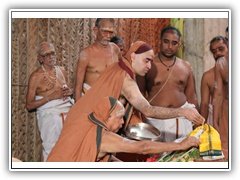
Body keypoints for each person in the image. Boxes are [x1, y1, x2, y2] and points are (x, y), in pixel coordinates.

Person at [47, 41, 204, 161]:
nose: (150, 66)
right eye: (146, 60)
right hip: (84, 128)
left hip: (80, 123)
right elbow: (148, 111)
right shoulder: (124, 78)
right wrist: (183, 112)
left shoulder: (117, 68)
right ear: (133, 56)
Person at [47, 96, 200, 162]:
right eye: (119, 117)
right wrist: (180, 145)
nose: (123, 122)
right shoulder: (103, 137)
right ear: (106, 117)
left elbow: (98, 154)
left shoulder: (84, 119)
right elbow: (142, 147)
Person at [136, 26, 199, 142]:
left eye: (174, 43)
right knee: (157, 158)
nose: (170, 46)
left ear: (179, 45)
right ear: (159, 41)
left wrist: (198, 123)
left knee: (183, 157)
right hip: (156, 120)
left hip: (182, 120)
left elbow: (192, 98)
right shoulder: (148, 65)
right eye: (166, 42)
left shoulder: (186, 67)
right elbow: (138, 95)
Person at [26, 42, 74, 161]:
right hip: (49, 116)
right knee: (51, 148)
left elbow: (68, 90)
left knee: (68, 147)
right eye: (47, 54)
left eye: (52, 53)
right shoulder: (35, 77)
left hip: (66, 114)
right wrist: (50, 97)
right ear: (40, 58)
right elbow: (29, 105)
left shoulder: (62, 70)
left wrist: (69, 92)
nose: (51, 57)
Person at [74, 18, 121, 101]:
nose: (108, 36)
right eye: (105, 31)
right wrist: (78, 110)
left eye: (111, 32)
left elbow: (122, 72)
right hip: (93, 100)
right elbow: (78, 87)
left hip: (114, 99)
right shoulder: (86, 54)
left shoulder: (115, 49)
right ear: (95, 30)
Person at [210, 36, 229, 160]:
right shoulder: (220, 64)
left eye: (221, 49)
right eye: (214, 51)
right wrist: (215, 121)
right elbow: (218, 93)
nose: (217, 53)